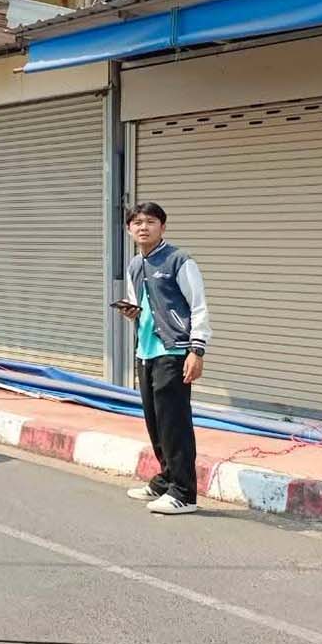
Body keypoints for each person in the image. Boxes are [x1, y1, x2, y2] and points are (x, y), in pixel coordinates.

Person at [114, 201, 212, 516]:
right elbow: (142, 308)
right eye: (137, 222)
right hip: (146, 352)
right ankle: (166, 480)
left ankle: (184, 492)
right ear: (130, 230)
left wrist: (196, 351)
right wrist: (132, 313)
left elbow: (198, 307)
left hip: (174, 350)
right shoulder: (135, 265)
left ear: (163, 227)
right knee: (156, 423)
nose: (143, 227)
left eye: (150, 222)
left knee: (175, 424)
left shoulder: (179, 261)